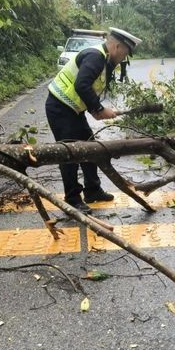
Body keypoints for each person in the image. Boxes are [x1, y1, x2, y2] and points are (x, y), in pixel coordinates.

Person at [46, 27, 142, 214]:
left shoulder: (104, 59)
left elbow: (87, 88)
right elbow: (81, 84)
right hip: (60, 108)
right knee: (69, 154)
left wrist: (93, 109)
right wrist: (98, 109)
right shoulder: (96, 57)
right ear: (116, 46)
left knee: (91, 149)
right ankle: (72, 199)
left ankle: (93, 190)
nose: (124, 58)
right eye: (124, 54)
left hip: (73, 110)